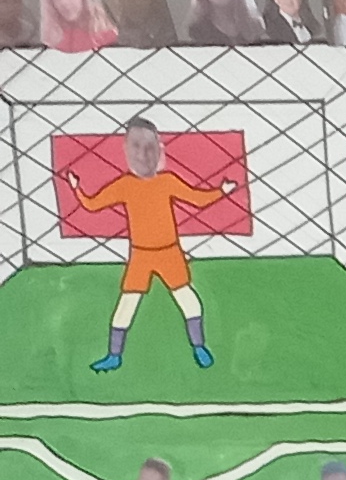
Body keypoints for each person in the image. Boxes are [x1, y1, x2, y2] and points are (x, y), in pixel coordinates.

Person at [60, 115, 236, 373]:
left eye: (149, 148)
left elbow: (196, 198)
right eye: (136, 147)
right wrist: (76, 189)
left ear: (159, 150)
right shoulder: (125, 185)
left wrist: (222, 191)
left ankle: (199, 346)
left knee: (188, 298)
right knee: (127, 304)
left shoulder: (167, 182)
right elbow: (93, 204)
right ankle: (114, 355)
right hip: (141, 256)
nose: (143, 155)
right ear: (126, 150)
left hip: (169, 253)